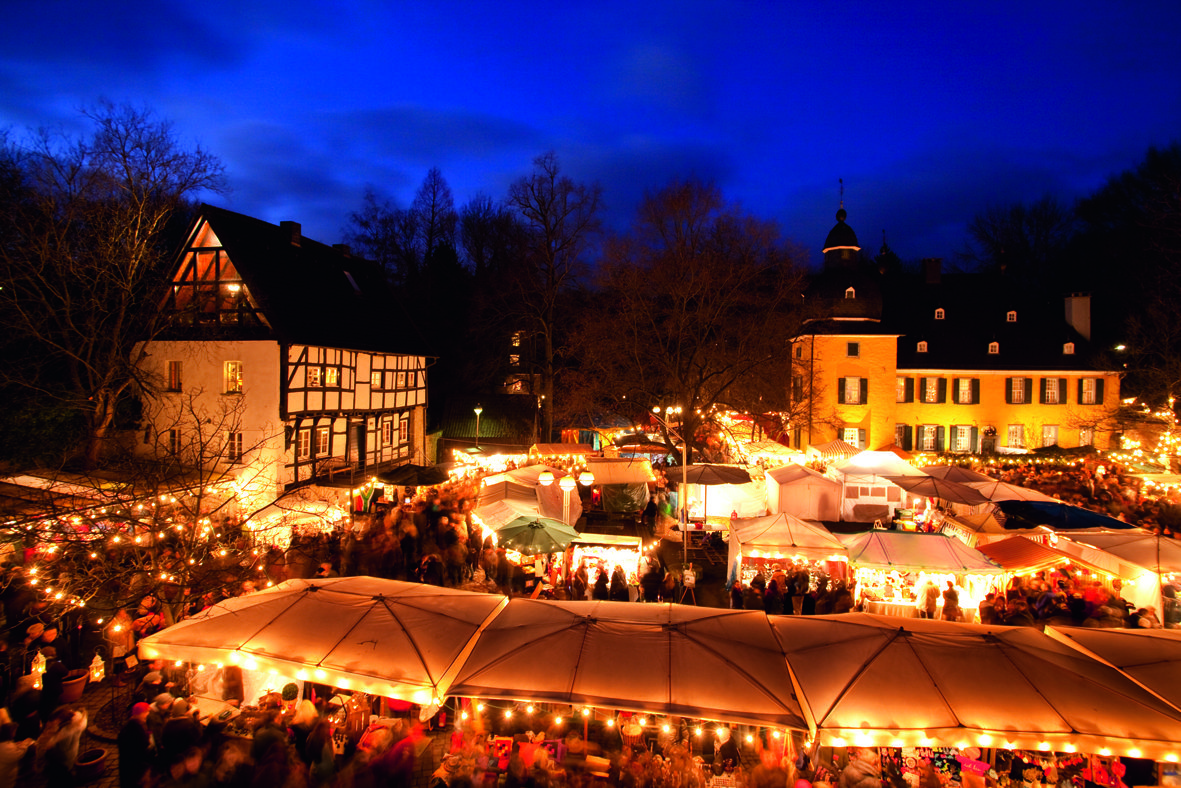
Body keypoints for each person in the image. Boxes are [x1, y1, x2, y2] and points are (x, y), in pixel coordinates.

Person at [35, 706, 87, 788]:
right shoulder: (73, 726)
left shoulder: (64, 735)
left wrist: (48, 751)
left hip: (62, 763)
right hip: (67, 760)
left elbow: (62, 751)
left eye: (55, 723)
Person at [117, 702, 154, 788]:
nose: (147, 715)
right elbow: (140, 749)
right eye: (145, 712)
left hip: (131, 764)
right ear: (139, 714)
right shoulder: (134, 729)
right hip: (134, 766)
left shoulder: (133, 725)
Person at [0, 722, 35, 788]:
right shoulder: (8, 748)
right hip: (4, 777)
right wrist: (25, 743)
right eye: (14, 731)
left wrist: (17, 745)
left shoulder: (3, 744)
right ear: (10, 733)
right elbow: (18, 754)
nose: (15, 733)